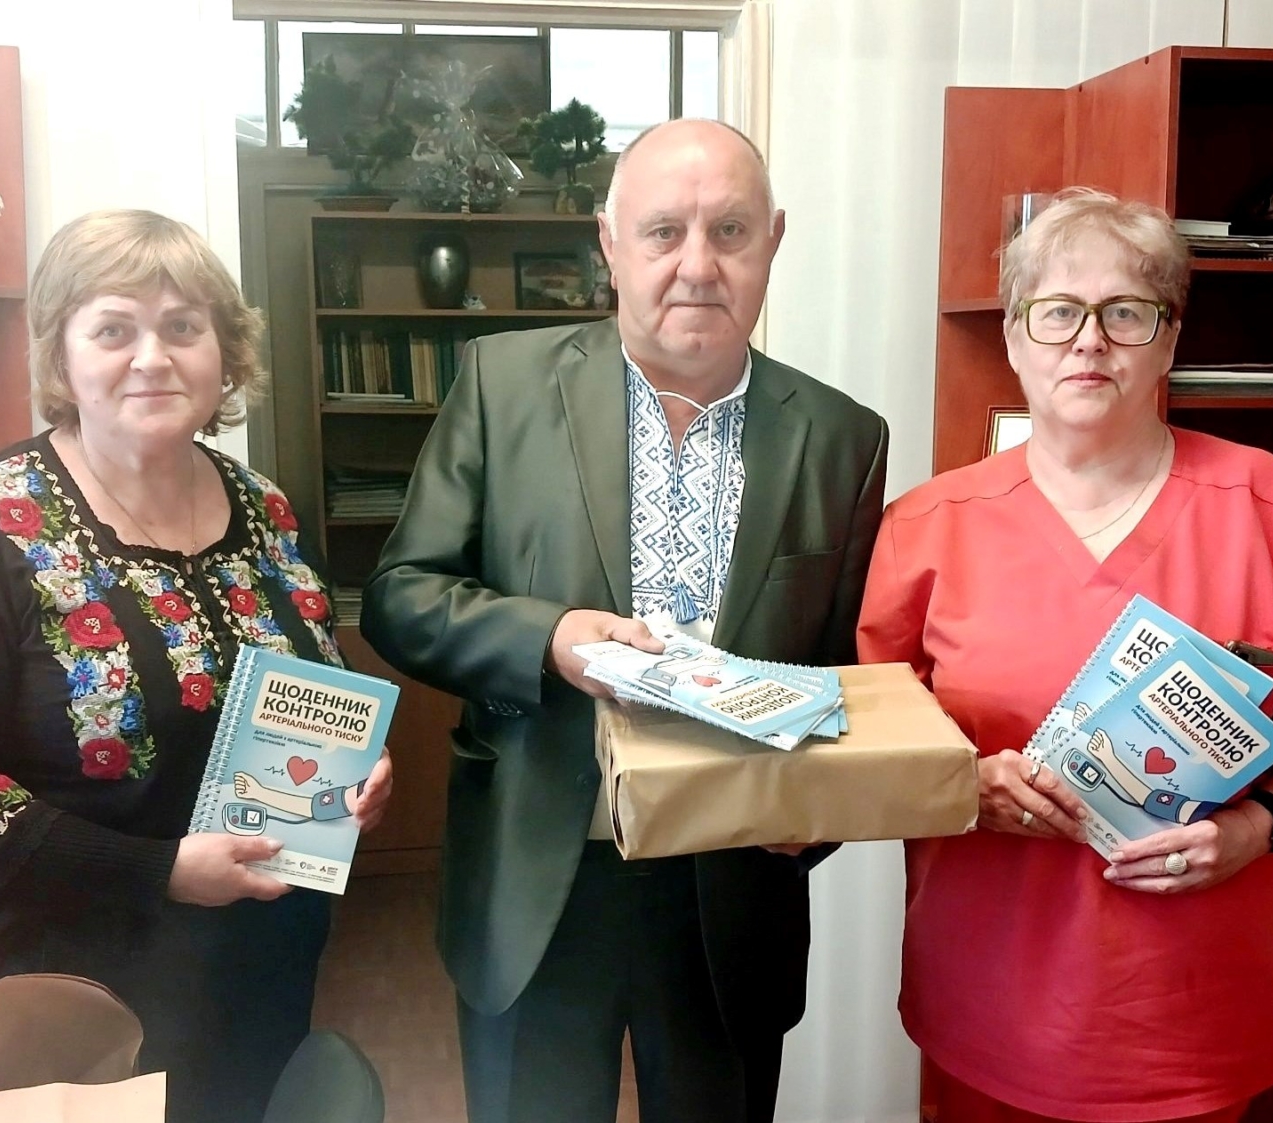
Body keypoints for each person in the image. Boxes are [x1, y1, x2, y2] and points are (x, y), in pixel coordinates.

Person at [361, 118, 888, 1123]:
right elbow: (401, 593)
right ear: (609, 243)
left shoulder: (841, 438)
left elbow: (844, 679)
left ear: (773, 239)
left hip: (732, 888)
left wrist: (814, 819)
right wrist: (549, 639)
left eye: (729, 231)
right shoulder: (503, 385)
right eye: (663, 231)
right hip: (540, 877)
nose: (698, 265)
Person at [856, 188, 1273, 1123]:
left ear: (1169, 339)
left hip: (1185, 1016)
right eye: (1058, 312)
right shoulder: (926, 525)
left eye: (1126, 312)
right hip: (988, 1001)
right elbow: (874, 741)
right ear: (1015, 336)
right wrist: (964, 784)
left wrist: (1260, 826)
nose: (1089, 341)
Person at [0, 209, 393, 1123]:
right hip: (85, 997)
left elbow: (315, 685)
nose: (153, 357)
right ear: (62, 357)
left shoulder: (264, 507)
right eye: (114, 330)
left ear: (225, 352)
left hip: (266, 965)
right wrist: (160, 869)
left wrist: (359, 771)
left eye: (183, 326)